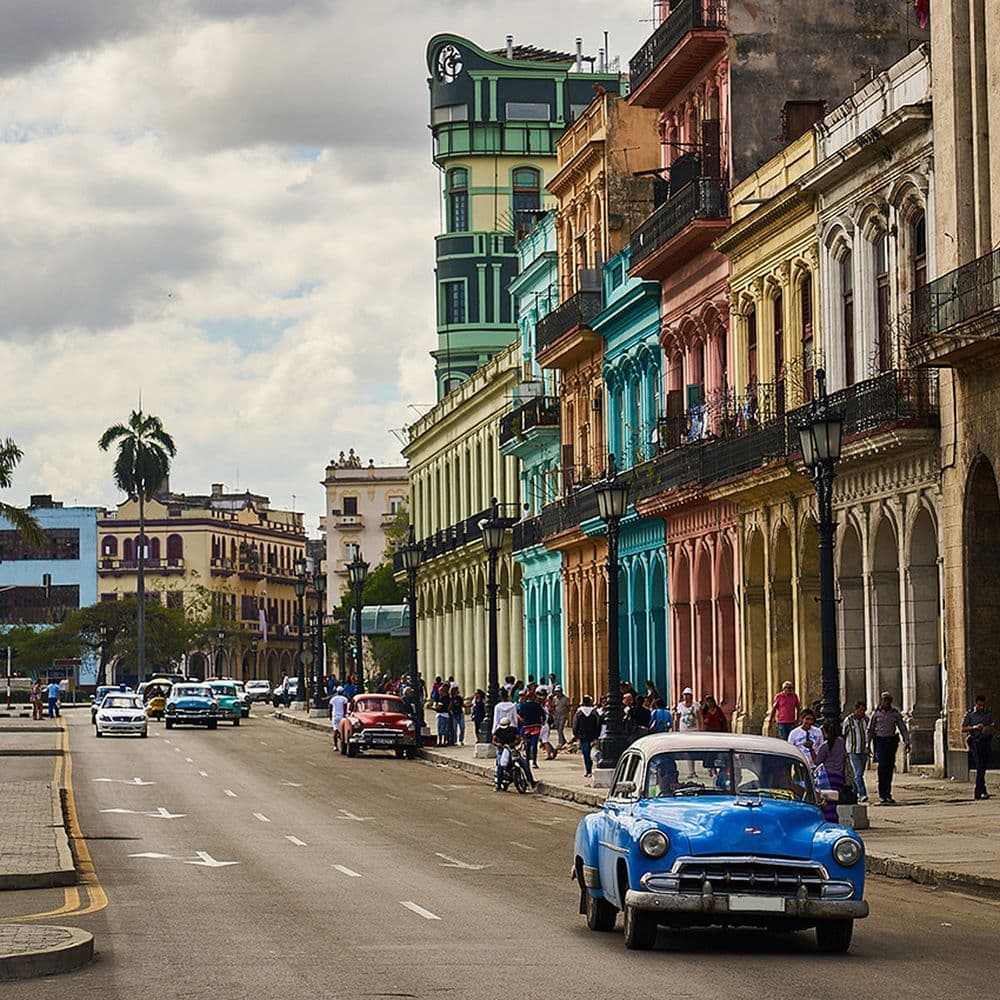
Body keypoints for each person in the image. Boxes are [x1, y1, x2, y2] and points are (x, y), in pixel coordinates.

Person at [867, 692, 910, 805]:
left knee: (889, 767)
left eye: (888, 701)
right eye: (884, 700)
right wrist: (867, 744)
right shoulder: (876, 714)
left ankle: (888, 793)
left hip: (891, 741)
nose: (886, 703)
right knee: (882, 767)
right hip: (880, 742)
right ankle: (882, 794)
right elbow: (870, 730)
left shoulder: (895, 714)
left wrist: (907, 741)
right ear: (881, 701)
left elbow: (902, 728)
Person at [809, 718, 848, 821]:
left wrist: (811, 749)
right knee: (834, 802)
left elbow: (817, 761)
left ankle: (829, 819)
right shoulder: (841, 742)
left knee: (826, 803)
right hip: (838, 777)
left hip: (827, 777)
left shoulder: (824, 746)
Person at [962, 695, 994, 800]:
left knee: (983, 767)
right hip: (975, 741)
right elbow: (963, 728)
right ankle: (978, 791)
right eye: (980, 705)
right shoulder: (970, 714)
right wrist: (975, 727)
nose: (981, 707)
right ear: (976, 703)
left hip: (985, 740)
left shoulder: (987, 714)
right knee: (979, 766)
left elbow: (991, 724)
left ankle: (982, 790)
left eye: (983, 705)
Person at [492, 718, 534, 791]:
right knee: (500, 765)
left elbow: (518, 738)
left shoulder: (513, 730)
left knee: (524, 764)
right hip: (502, 750)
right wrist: (498, 744)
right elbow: (494, 740)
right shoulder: (499, 731)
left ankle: (531, 781)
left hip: (512, 749)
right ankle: (498, 784)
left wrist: (515, 743)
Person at [842, 701, 870, 802]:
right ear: (856, 709)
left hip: (863, 750)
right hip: (852, 750)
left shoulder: (866, 720)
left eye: (863, 710)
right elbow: (844, 734)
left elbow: (868, 734)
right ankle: (862, 794)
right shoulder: (848, 720)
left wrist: (868, 746)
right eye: (860, 710)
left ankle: (855, 790)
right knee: (857, 773)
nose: (861, 712)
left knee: (859, 773)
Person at [572, 695, 601, 778]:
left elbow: (575, 724)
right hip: (592, 735)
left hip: (583, 736)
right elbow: (598, 724)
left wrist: (576, 734)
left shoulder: (579, 712)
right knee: (594, 753)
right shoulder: (594, 712)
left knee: (586, 753)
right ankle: (591, 769)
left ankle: (588, 770)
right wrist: (597, 735)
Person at [518, 688, 546, 766]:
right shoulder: (537, 705)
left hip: (527, 727)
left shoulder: (523, 705)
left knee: (528, 744)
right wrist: (543, 722)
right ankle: (534, 761)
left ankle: (527, 761)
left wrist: (524, 721)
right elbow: (543, 715)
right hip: (536, 726)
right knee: (534, 744)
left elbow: (520, 715)